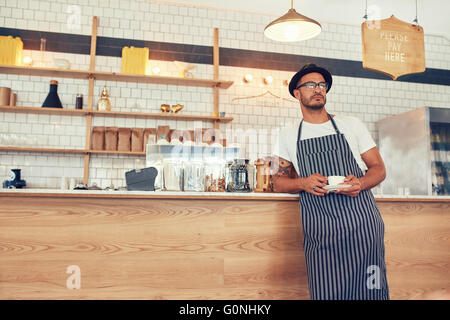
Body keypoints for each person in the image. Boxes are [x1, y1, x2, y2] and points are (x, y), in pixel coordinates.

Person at [272, 63, 389, 300]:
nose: (318, 89)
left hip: (362, 225)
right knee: (327, 292)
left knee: (371, 291)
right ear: (297, 93)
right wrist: (303, 183)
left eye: (322, 85)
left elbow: (379, 169)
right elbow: (277, 182)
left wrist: (361, 184)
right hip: (321, 230)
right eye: (311, 85)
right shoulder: (287, 134)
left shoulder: (351, 124)